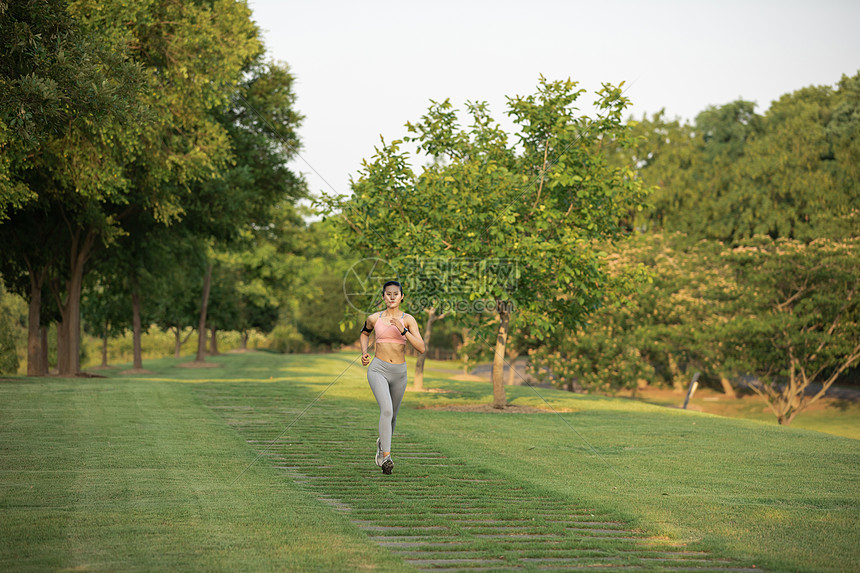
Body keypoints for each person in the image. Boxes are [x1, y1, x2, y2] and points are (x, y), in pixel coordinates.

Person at [360, 280, 425, 475]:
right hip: (378, 369)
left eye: (395, 294)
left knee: (393, 416)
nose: (391, 297)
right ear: (383, 297)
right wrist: (364, 352)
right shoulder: (374, 318)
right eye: (388, 294)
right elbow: (364, 334)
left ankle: (382, 445)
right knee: (386, 410)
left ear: (402, 297)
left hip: (400, 372)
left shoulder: (408, 320)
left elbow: (421, 348)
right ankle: (386, 457)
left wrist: (402, 330)